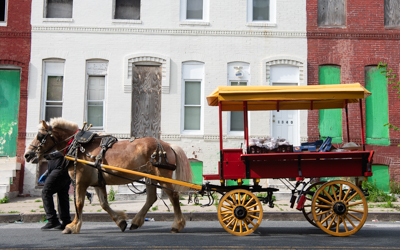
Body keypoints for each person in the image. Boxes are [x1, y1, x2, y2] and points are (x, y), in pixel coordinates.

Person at [38, 151, 72, 230]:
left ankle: (52, 220)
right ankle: (66, 221)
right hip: (59, 168)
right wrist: (46, 173)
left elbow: (64, 150)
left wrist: (50, 155)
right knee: (62, 194)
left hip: (61, 168)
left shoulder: (61, 139)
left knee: (46, 192)